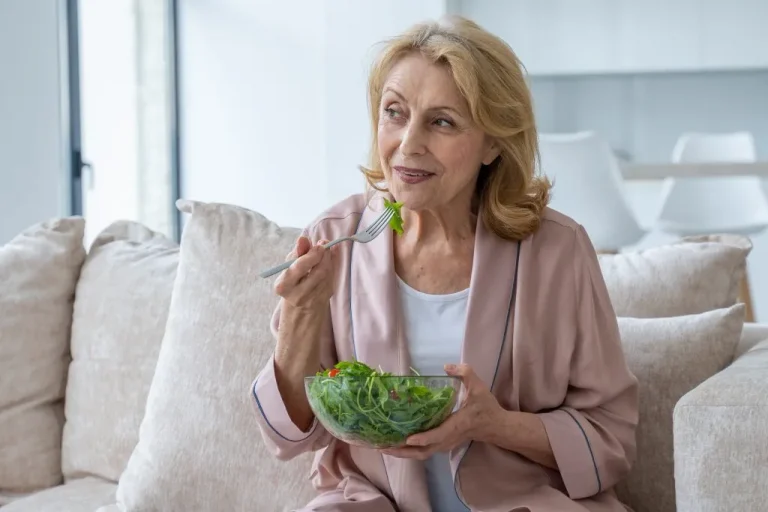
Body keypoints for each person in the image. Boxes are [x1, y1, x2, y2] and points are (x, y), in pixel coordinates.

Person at [251, 15, 638, 512]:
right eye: (395, 112)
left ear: (493, 143)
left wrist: (495, 424)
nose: (408, 143)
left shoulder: (557, 252)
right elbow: (285, 437)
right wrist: (300, 319)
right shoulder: (335, 238)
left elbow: (612, 437)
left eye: (441, 121)